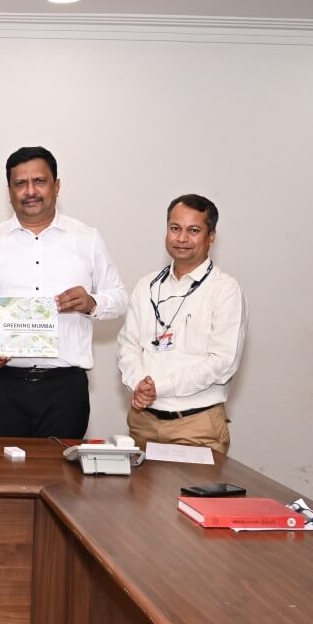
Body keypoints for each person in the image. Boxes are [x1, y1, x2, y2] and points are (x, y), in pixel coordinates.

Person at [0, 146, 127, 439]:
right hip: (5, 383)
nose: (30, 191)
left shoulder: (87, 239)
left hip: (65, 387)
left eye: (39, 181)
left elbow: (119, 298)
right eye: (20, 184)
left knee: (62, 481)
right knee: (4, 477)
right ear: (9, 191)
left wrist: (92, 302)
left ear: (57, 186)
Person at [116, 194, 247, 454]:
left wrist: (160, 387)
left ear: (211, 237)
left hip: (196, 428)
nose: (182, 238)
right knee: (138, 497)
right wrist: (140, 383)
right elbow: (127, 345)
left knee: (190, 497)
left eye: (194, 230)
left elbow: (223, 363)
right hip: (143, 423)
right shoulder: (147, 286)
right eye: (175, 229)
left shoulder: (225, 290)